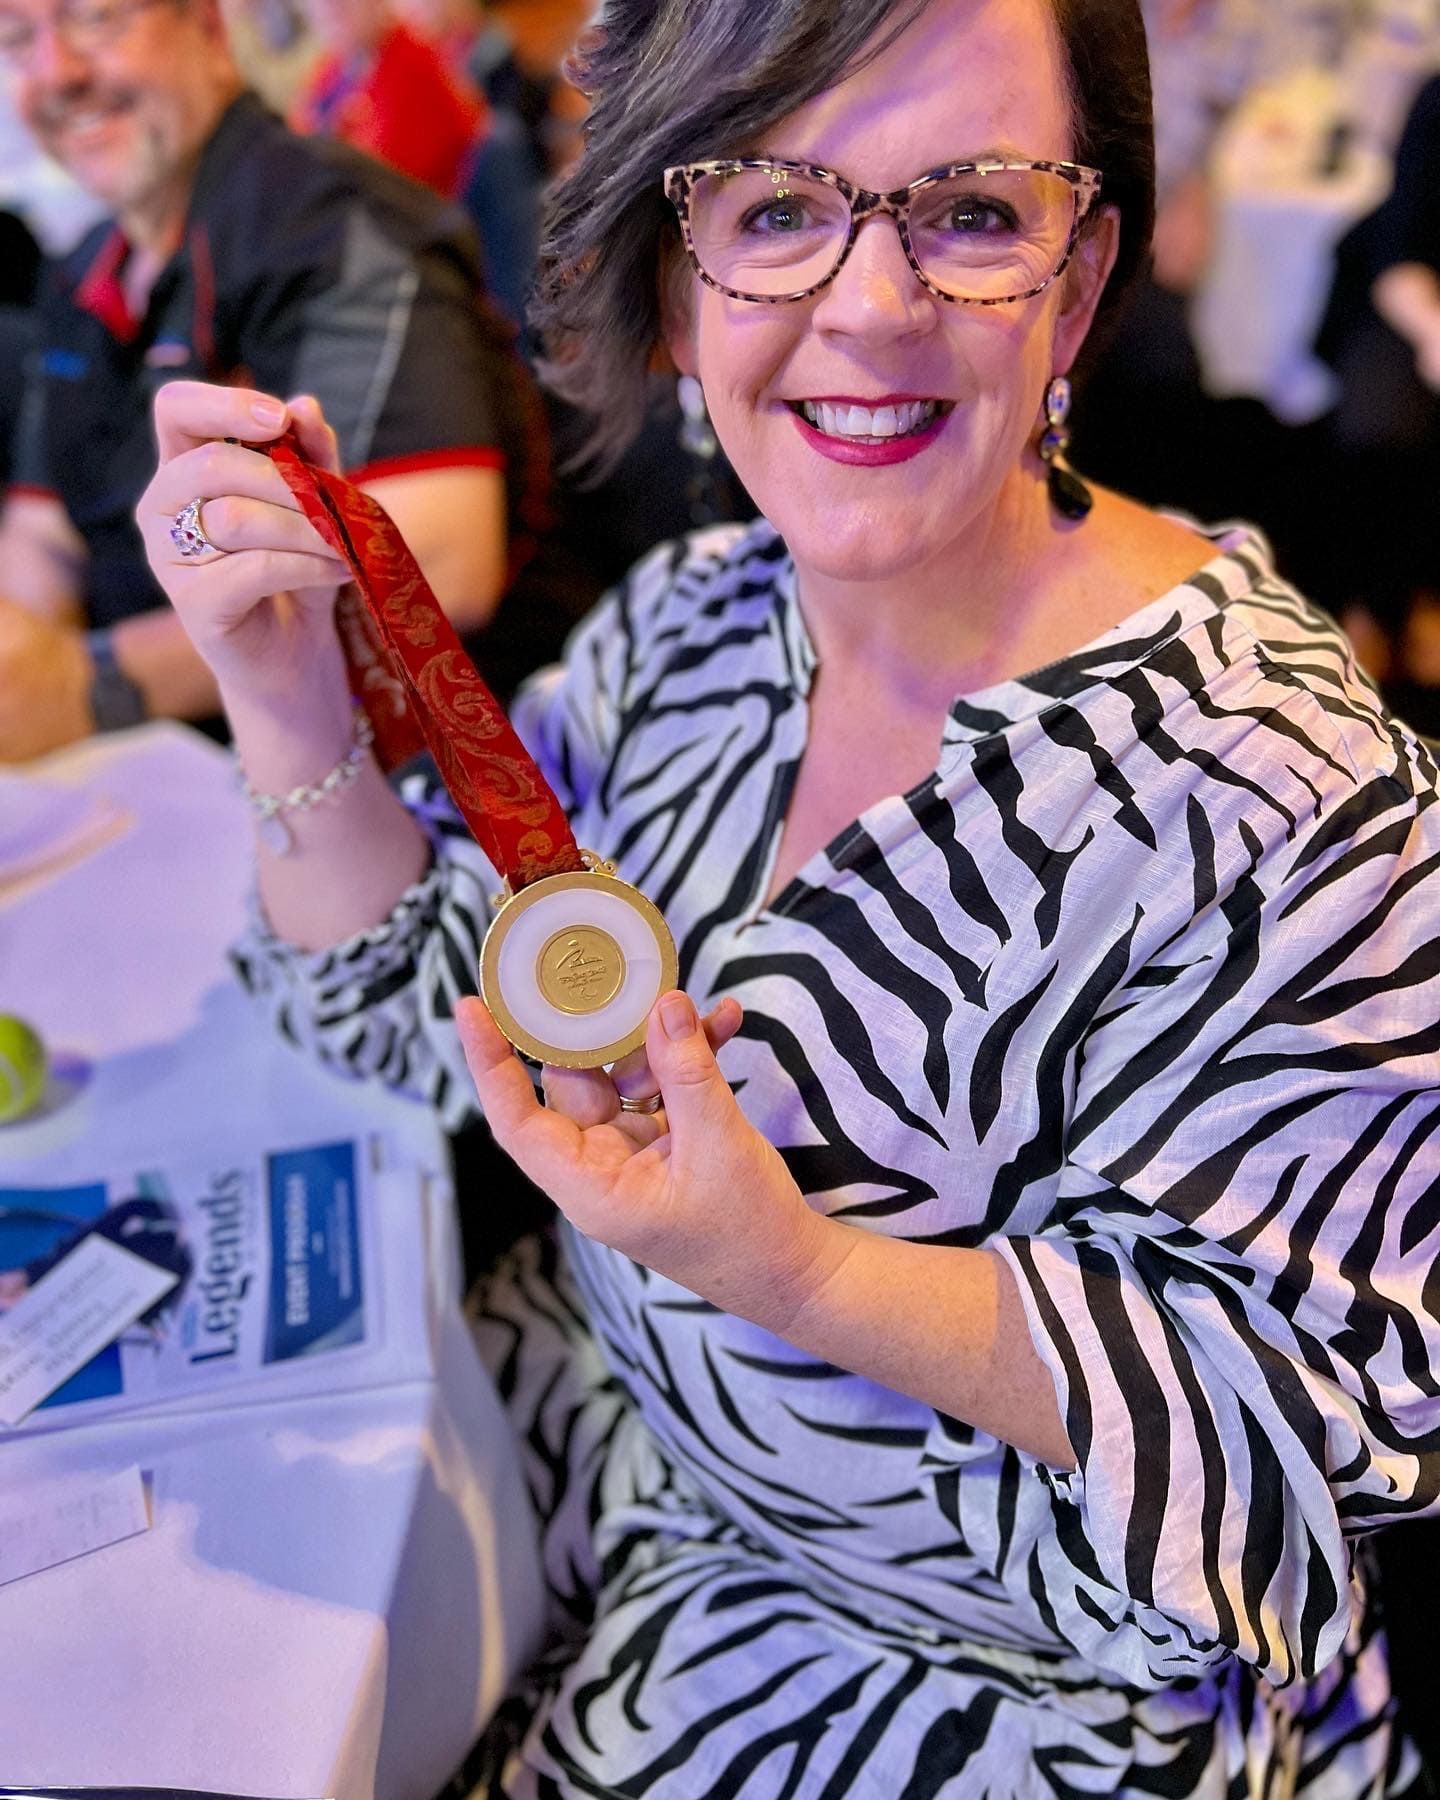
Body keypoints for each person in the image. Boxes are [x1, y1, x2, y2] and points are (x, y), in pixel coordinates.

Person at [140, 0, 1440, 1792]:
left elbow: (1298, 1448)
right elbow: (424, 1012)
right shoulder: (692, 620)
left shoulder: (1278, 791)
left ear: (1077, 280)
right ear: (675, 290)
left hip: (991, 1701)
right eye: (773, 208)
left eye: (973, 211)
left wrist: (799, 1268)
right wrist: (281, 682)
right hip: (620, 1481)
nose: (869, 305)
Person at [0, 0, 547, 761]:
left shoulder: (335, 226)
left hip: (407, 782)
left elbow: (440, 563)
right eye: (18, 39)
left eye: (96, 17)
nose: (57, 71)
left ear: (208, 31)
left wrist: (93, 688)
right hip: (152, 767)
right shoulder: (83, 274)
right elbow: (40, 537)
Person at [290, 0, 484, 198]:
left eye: (341, 5)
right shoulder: (334, 73)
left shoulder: (411, 61)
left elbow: (377, 182)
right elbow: (298, 151)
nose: (327, 6)